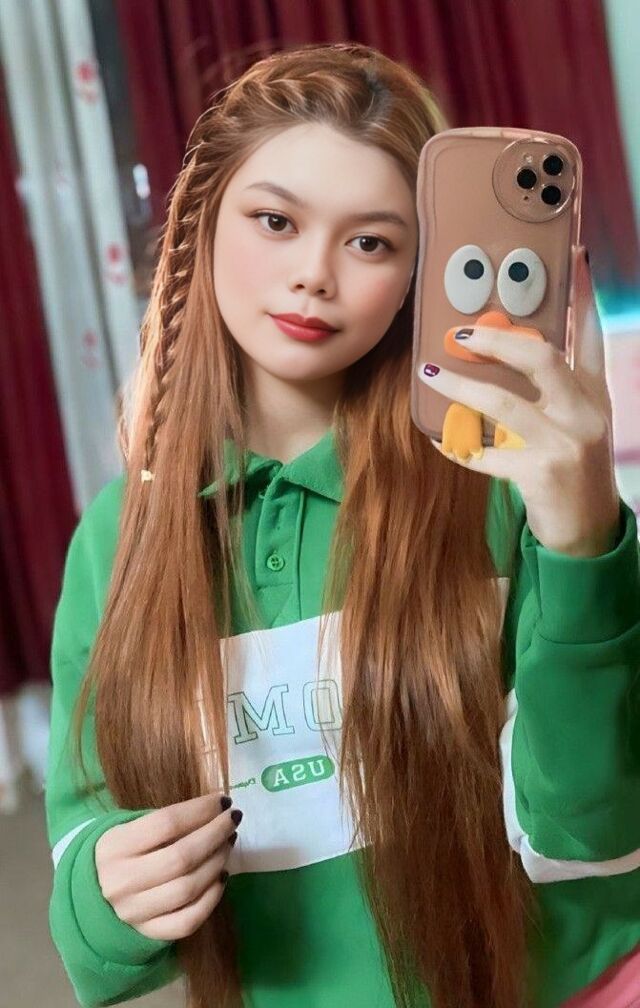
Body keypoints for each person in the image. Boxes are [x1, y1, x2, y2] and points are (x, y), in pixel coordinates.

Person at [45, 41, 640, 1008]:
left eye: (371, 243)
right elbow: (85, 829)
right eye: (276, 221)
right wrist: (106, 892)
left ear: (418, 274)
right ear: (203, 222)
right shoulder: (118, 539)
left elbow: (595, 827)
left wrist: (582, 540)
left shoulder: (500, 486)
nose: (314, 276)